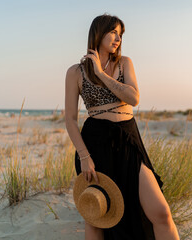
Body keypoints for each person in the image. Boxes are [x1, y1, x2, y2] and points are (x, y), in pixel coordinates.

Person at [65, 14, 180, 240]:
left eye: (120, 34)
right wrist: (84, 156)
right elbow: (70, 119)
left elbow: (133, 97)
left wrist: (99, 73)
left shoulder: (124, 63)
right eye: (113, 32)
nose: (118, 38)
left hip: (128, 139)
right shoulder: (75, 72)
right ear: (98, 33)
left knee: (161, 212)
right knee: (96, 219)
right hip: (94, 145)